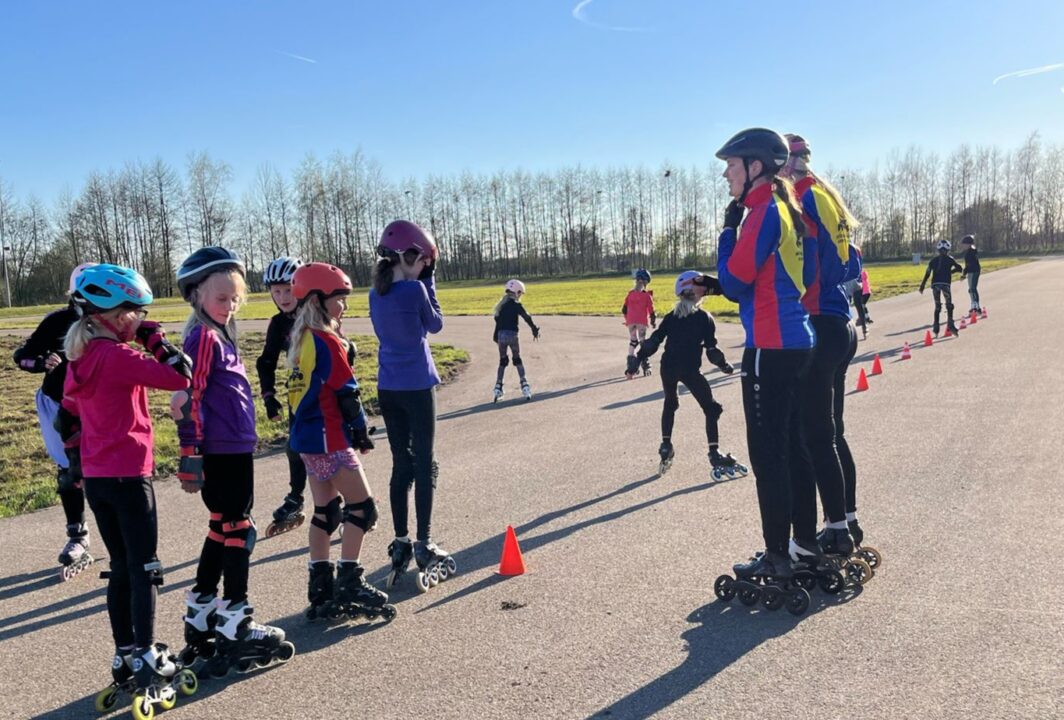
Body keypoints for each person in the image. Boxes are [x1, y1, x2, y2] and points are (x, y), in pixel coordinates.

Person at [61, 264, 196, 710]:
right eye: (138, 314)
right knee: (145, 568)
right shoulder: (117, 356)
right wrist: (155, 340)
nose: (142, 320)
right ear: (117, 316)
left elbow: (67, 415)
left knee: (120, 567)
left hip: (98, 479)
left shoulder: (80, 358)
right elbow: (181, 375)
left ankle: (123, 654)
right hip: (129, 475)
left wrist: (76, 462)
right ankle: (145, 654)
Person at [173, 247, 293, 674]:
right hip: (221, 451)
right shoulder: (203, 339)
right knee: (240, 528)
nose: (229, 305)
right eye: (221, 298)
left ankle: (202, 611)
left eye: (234, 298)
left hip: (233, 448)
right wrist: (190, 454)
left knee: (222, 526)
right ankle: (235, 621)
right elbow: (188, 398)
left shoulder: (219, 335)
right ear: (196, 296)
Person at [714, 128, 815, 594]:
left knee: (768, 456)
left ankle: (777, 557)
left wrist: (726, 232)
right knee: (794, 448)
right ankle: (804, 543)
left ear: (755, 167)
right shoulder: (786, 209)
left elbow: (735, 283)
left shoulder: (761, 212)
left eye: (731, 167)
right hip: (797, 341)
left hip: (769, 346)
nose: (726, 176)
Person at [287, 262, 394, 622]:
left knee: (326, 512)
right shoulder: (326, 340)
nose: (344, 305)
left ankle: (320, 585)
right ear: (318, 300)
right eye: (339, 299)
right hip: (329, 437)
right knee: (363, 508)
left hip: (306, 439)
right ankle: (349, 581)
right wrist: (360, 430)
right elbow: (347, 392)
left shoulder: (302, 338)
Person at [781, 133, 862, 569]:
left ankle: (831, 532)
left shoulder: (803, 198)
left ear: (785, 164)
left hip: (817, 320)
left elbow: (810, 264)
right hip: (840, 321)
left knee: (810, 437)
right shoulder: (828, 197)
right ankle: (846, 520)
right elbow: (854, 263)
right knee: (831, 434)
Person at [369, 220, 456, 593]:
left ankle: (401, 540)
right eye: (424, 263)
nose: (425, 269)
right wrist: (429, 282)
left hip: (388, 387)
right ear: (410, 257)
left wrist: (424, 276)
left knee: (400, 464)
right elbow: (435, 324)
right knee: (425, 463)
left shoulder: (375, 294)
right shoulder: (416, 290)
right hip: (418, 385)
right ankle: (423, 542)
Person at [13, 262, 96, 577]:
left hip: (98, 404)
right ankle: (78, 535)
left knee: (108, 470)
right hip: (58, 403)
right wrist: (41, 363)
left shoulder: (111, 320)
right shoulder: (58, 321)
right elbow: (21, 356)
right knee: (69, 471)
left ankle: (123, 532)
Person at [627, 271, 746, 480]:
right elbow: (712, 350)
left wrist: (637, 360)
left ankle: (666, 446)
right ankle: (714, 453)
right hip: (690, 369)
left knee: (670, 403)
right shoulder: (704, 318)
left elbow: (654, 341)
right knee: (711, 408)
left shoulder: (671, 317)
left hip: (668, 367)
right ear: (695, 292)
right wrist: (724, 366)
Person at [255, 256, 311, 537]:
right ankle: (296, 499)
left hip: (326, 391)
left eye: (288, 290)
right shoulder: (278, 324)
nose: (282, 297)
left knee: (333, 451)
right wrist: (269, 396)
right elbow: (265, 362)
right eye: (276, 291)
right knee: (295, 447)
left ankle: (354, 501)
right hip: (298, 392)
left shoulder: (315, 314)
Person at [492, 278, 540, 402]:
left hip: (501, 336)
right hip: (512, 335)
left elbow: (498, 323)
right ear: (517, 292)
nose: (520, 296)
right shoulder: (516, 305)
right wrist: (534, 329)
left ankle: (498, 387)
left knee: (503, 361)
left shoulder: (501, 306)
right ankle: (524, 385)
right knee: (517, 359)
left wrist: (495, 336)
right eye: (520, 294)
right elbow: (526, 317)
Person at [919, 240, 963, 336]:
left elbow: (927, 273)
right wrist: (951, 271)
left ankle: (936, 327)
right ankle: (950, 325)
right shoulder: (950, 259)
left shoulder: (933, 261)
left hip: (935, 284)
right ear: (948, 250)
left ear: (938, 250)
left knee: (937, 306)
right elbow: (959, 268)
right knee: (949, 305)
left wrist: (922, 285)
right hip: (945, 284)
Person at [621, 269, 656, 378]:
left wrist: (628, 320)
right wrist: (653, 321)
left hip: (631, 321)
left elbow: (624, 309)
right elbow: (651, 310)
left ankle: (631, 365)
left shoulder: (630, 294)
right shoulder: (647, 295)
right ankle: (645, 365)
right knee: (642, 342)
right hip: (641, 322)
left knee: (633, 341)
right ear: (646, 282)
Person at [960, 234, 981, 314]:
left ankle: (976, 307)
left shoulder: (970, 252)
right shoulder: (971, 251)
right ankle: (974, 306)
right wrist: (964, 274)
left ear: (968, 244)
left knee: (972, 289)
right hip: (973, 271)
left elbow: (968, 265)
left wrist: (964, 274)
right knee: (971, 289)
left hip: (973, 272)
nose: (963, 246)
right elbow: (968, 265)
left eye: (964, 244)